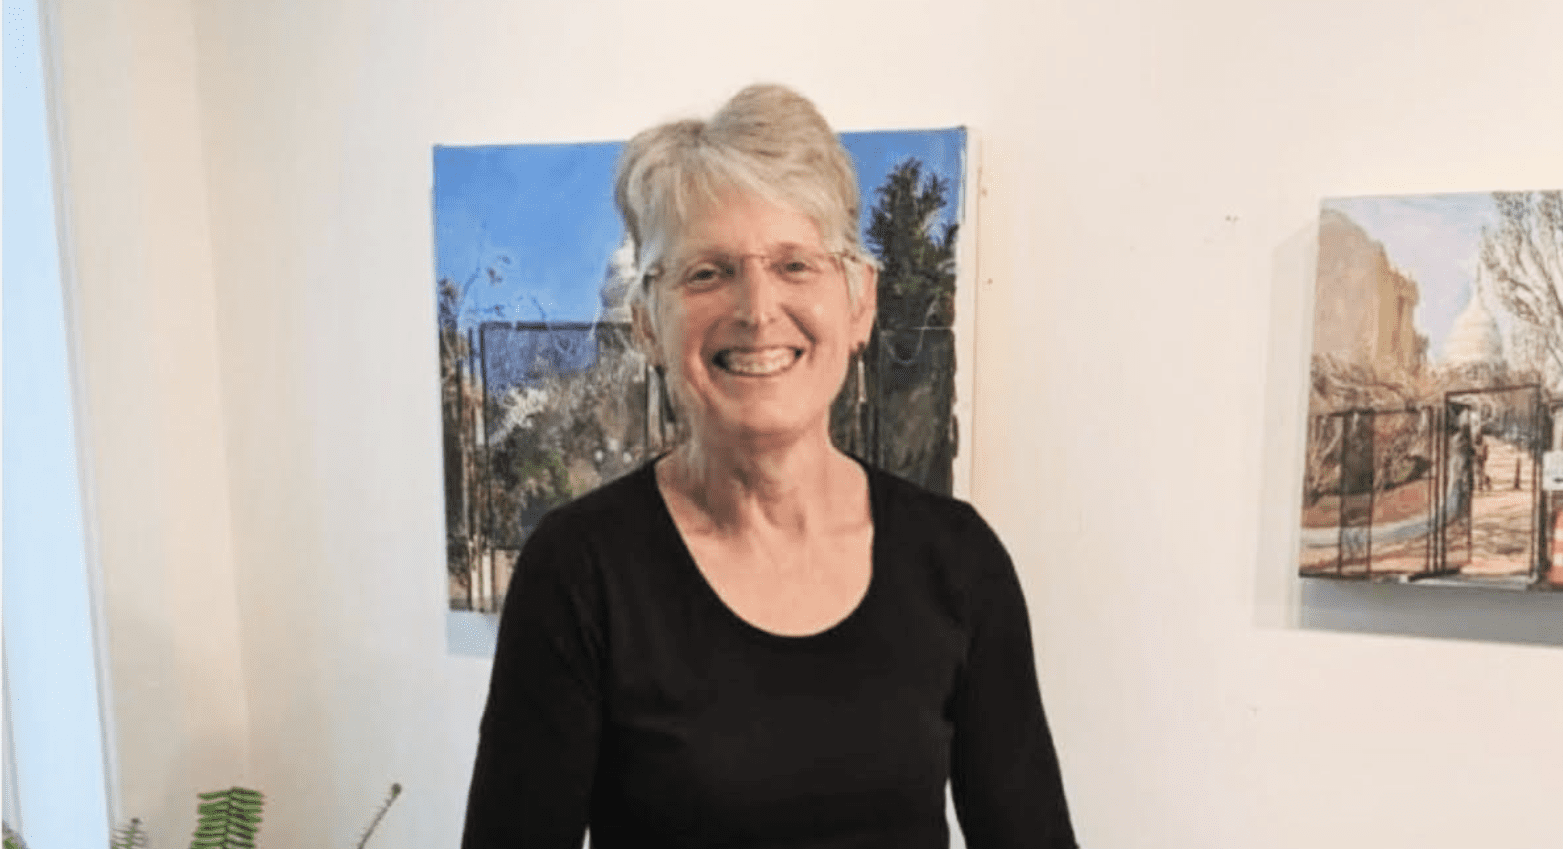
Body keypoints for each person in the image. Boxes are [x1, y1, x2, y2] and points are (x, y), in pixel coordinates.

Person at [462, 84, 1076, 849]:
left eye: (794, 264)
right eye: (707, 272)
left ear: (858, 304)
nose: (756, 308)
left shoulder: (956, 562)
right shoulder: (581, 570)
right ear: (648, 323)